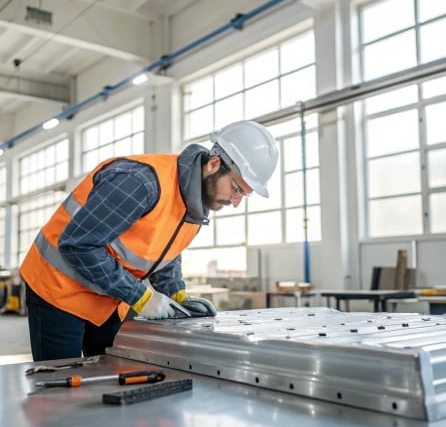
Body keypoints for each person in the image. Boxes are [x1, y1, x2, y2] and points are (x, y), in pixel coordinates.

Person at [19, 120, 279, 361]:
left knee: (112, 374)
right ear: (213, 164)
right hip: (58, 290)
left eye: (244, 195)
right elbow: (78, 243)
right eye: (236, 189)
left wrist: (176, 294)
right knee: (60, 385)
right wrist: (139, 296)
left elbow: (165, 251)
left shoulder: (195, 204)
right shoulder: (139, 183)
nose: (235, 202)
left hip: (107, 296)